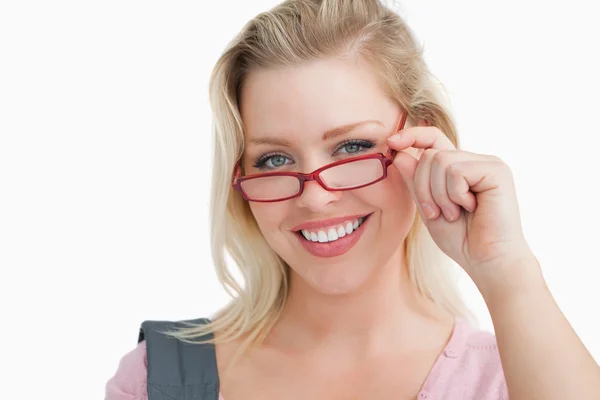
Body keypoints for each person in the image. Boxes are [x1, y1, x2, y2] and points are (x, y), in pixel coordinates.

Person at [105, 0, 600, 399]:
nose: (316, 198)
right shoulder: (156, 380)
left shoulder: (509, 382)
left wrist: (507, 270)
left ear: (425, 141)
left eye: (353, 147)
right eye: (274, 160)